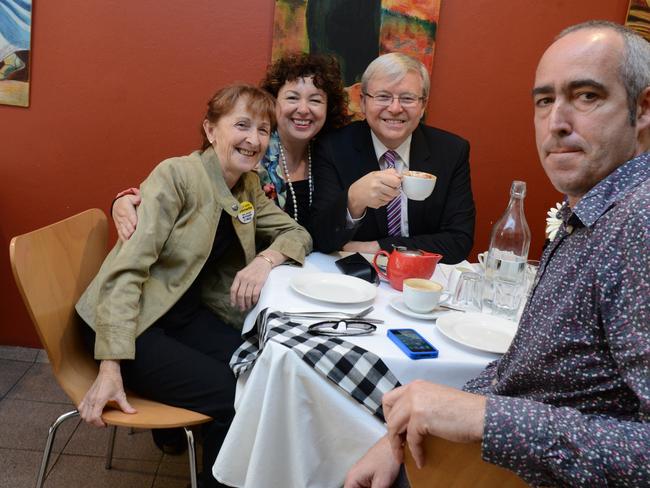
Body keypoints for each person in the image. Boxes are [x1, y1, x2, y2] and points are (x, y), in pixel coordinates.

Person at [345, 20, 650, 488]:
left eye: (587, 95)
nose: (557, 122)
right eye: (545, 101)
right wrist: (407, 435)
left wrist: (485, 418)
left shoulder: (640, 222)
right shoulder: (592, 214)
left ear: (643, 108)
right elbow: (521, 369)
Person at [75, 84, 312, 488]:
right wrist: (110, 364)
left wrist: (264, 259)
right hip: (128, 324)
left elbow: (297, 233)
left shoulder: (247, 187)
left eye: (263, 129)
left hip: (179, 316)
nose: (254, 139)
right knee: (232, 399)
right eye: (242, 125)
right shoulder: (177, 176)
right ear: (210, 129)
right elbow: (125, 271)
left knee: (258, 369)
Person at [111, 53, 349, 239]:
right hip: (243, 279)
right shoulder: (249, 149)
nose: (304, 109)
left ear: (330, 108)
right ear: (273, 102)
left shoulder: (330, 156)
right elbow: (194, 184)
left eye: (315, 100)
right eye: (292, 98)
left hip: (304, 271)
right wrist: (122, 202)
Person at [309, 52, 475, 263]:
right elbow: (320, 237)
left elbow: (459, 242)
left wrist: (379, 247)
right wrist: (354, 200)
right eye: (383, 96)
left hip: (423, 280)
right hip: (354, 280)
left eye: (407, 98)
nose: (395, 108)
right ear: (363, 102)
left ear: (423, 105)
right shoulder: (333, 147)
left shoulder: (451, 151)